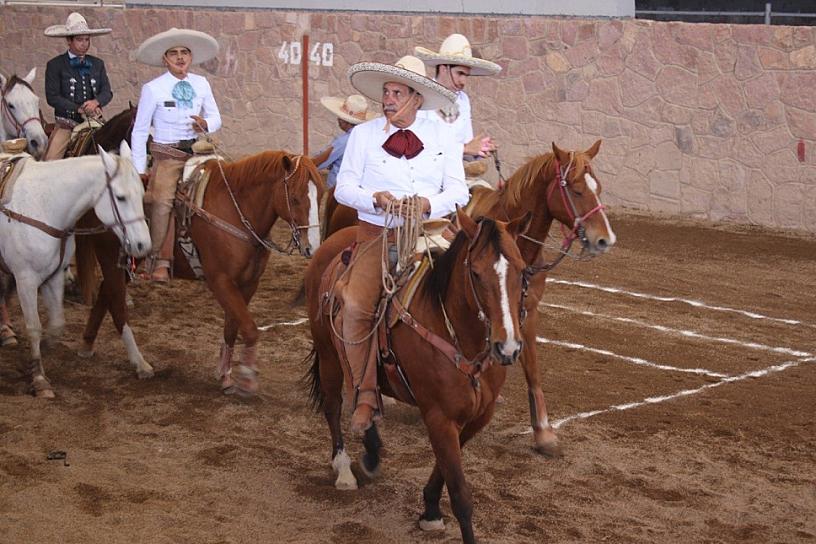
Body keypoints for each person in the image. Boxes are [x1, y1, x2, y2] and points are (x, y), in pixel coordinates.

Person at [334, 55, 469, 433]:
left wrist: (429, 203)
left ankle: (475, 370)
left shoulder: (443, 135)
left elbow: (459, 191)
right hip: (377, 233)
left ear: (416, 98)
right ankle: (364, 392)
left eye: (397, 93)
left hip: (432, 232)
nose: (388, 100)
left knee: (475, 285)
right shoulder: (363, 135)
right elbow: (344, 188)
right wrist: (374, 198)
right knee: (358, 303)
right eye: (386, 93)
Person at [131, 28, 222, 282]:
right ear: (165, 59)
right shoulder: (153, 89)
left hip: (198, 152)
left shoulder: (201, 83)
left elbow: (216, 117)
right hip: (168, 157)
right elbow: (139, 131)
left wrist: (205, 124)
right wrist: (139, 169)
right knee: (161, 202)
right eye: (174, 53)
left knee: (229, 182)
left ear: (191, 57)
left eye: (184, 53)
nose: (180, 58)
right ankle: (157, 262)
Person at [414, 33, 502, 161]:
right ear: (444, 68)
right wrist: (465, 148)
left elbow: (466, 145)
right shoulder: (423, 95)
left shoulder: (463, 100)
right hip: (426, 175)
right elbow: (419, 145)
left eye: (466, 75)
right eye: (460, 73)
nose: (463, 81)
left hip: (455, 175)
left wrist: (480, 149)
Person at [43, 12, 113, 161]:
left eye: (87, 40)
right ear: (69, 40)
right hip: (67, 124)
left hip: (95, 120)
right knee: (51, 160)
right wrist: (78, 108)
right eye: (80, 39)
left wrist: (96, 102)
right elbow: (52, 97)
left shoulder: (97, 64)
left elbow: (107, 92)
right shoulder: (55, 65)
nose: (84, 44)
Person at [316, 94, 377, 188]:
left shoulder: (344, 141)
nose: (338, 120)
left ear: (345, 121)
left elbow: (320, 161)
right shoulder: (366, 137)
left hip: (341, 188)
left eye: (340, 118)